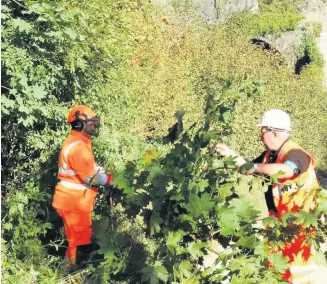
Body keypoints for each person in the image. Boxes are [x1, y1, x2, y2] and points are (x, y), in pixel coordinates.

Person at [214, 109, 321, 283]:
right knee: (274, 272)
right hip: (278, 224)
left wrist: (254, 168)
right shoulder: (271, 155)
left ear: (274, 133)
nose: (260, 137)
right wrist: (230, 155)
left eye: (263, 132)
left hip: (298, 229)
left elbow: (285, 170)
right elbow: (249, 166)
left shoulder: (296, 154)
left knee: (295, 275)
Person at [52, 105, 112, 267]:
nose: (94, 125)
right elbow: (91, 177)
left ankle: (74, 270)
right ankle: (67, 272)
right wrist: (109, 179)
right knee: (77, 244)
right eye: (91, 122)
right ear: (80, 124)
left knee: (80, 240)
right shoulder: (78, 147)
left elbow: (88, 168)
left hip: (75, 200)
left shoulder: (79, 143)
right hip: (73, 201)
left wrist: (101, 171)